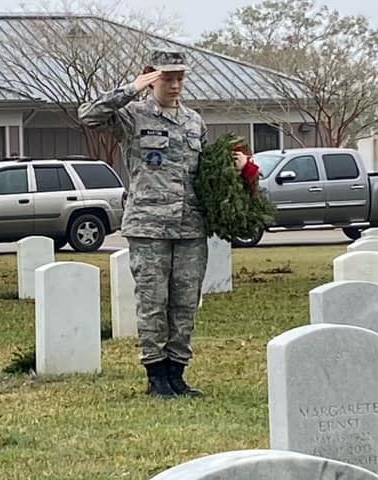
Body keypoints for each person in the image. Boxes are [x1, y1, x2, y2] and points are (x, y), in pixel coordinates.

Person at [78, 50, 259, 398]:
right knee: (152, 301)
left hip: (190, 225)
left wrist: (238, 168)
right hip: (149, 225)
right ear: (152, 77)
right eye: (167, 78)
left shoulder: (194, 121)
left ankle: (177, 372)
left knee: (185, 302)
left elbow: (205, 171)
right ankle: (156, 375)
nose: (175, 85)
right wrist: (131, 89)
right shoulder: (131, 115)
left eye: (180, 78)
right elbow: (88, 115)